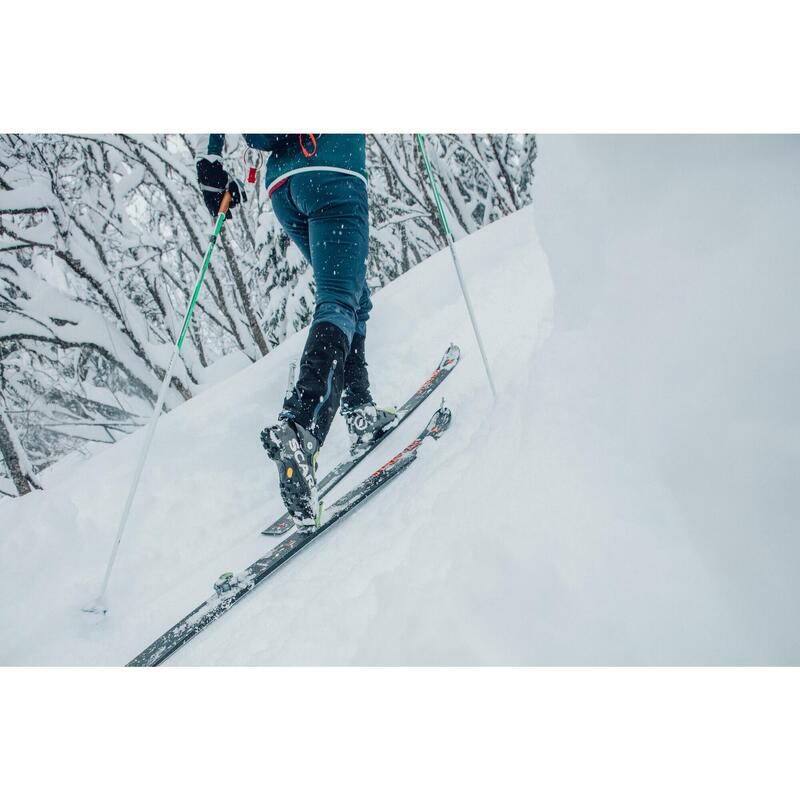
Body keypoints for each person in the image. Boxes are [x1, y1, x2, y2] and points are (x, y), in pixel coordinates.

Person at [196, 134, 396, 528]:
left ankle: (358, 406)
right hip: (334, 170)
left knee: (349, 293)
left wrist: (212, 156)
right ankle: (301, 426)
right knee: (339, 299)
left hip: (286, 188)